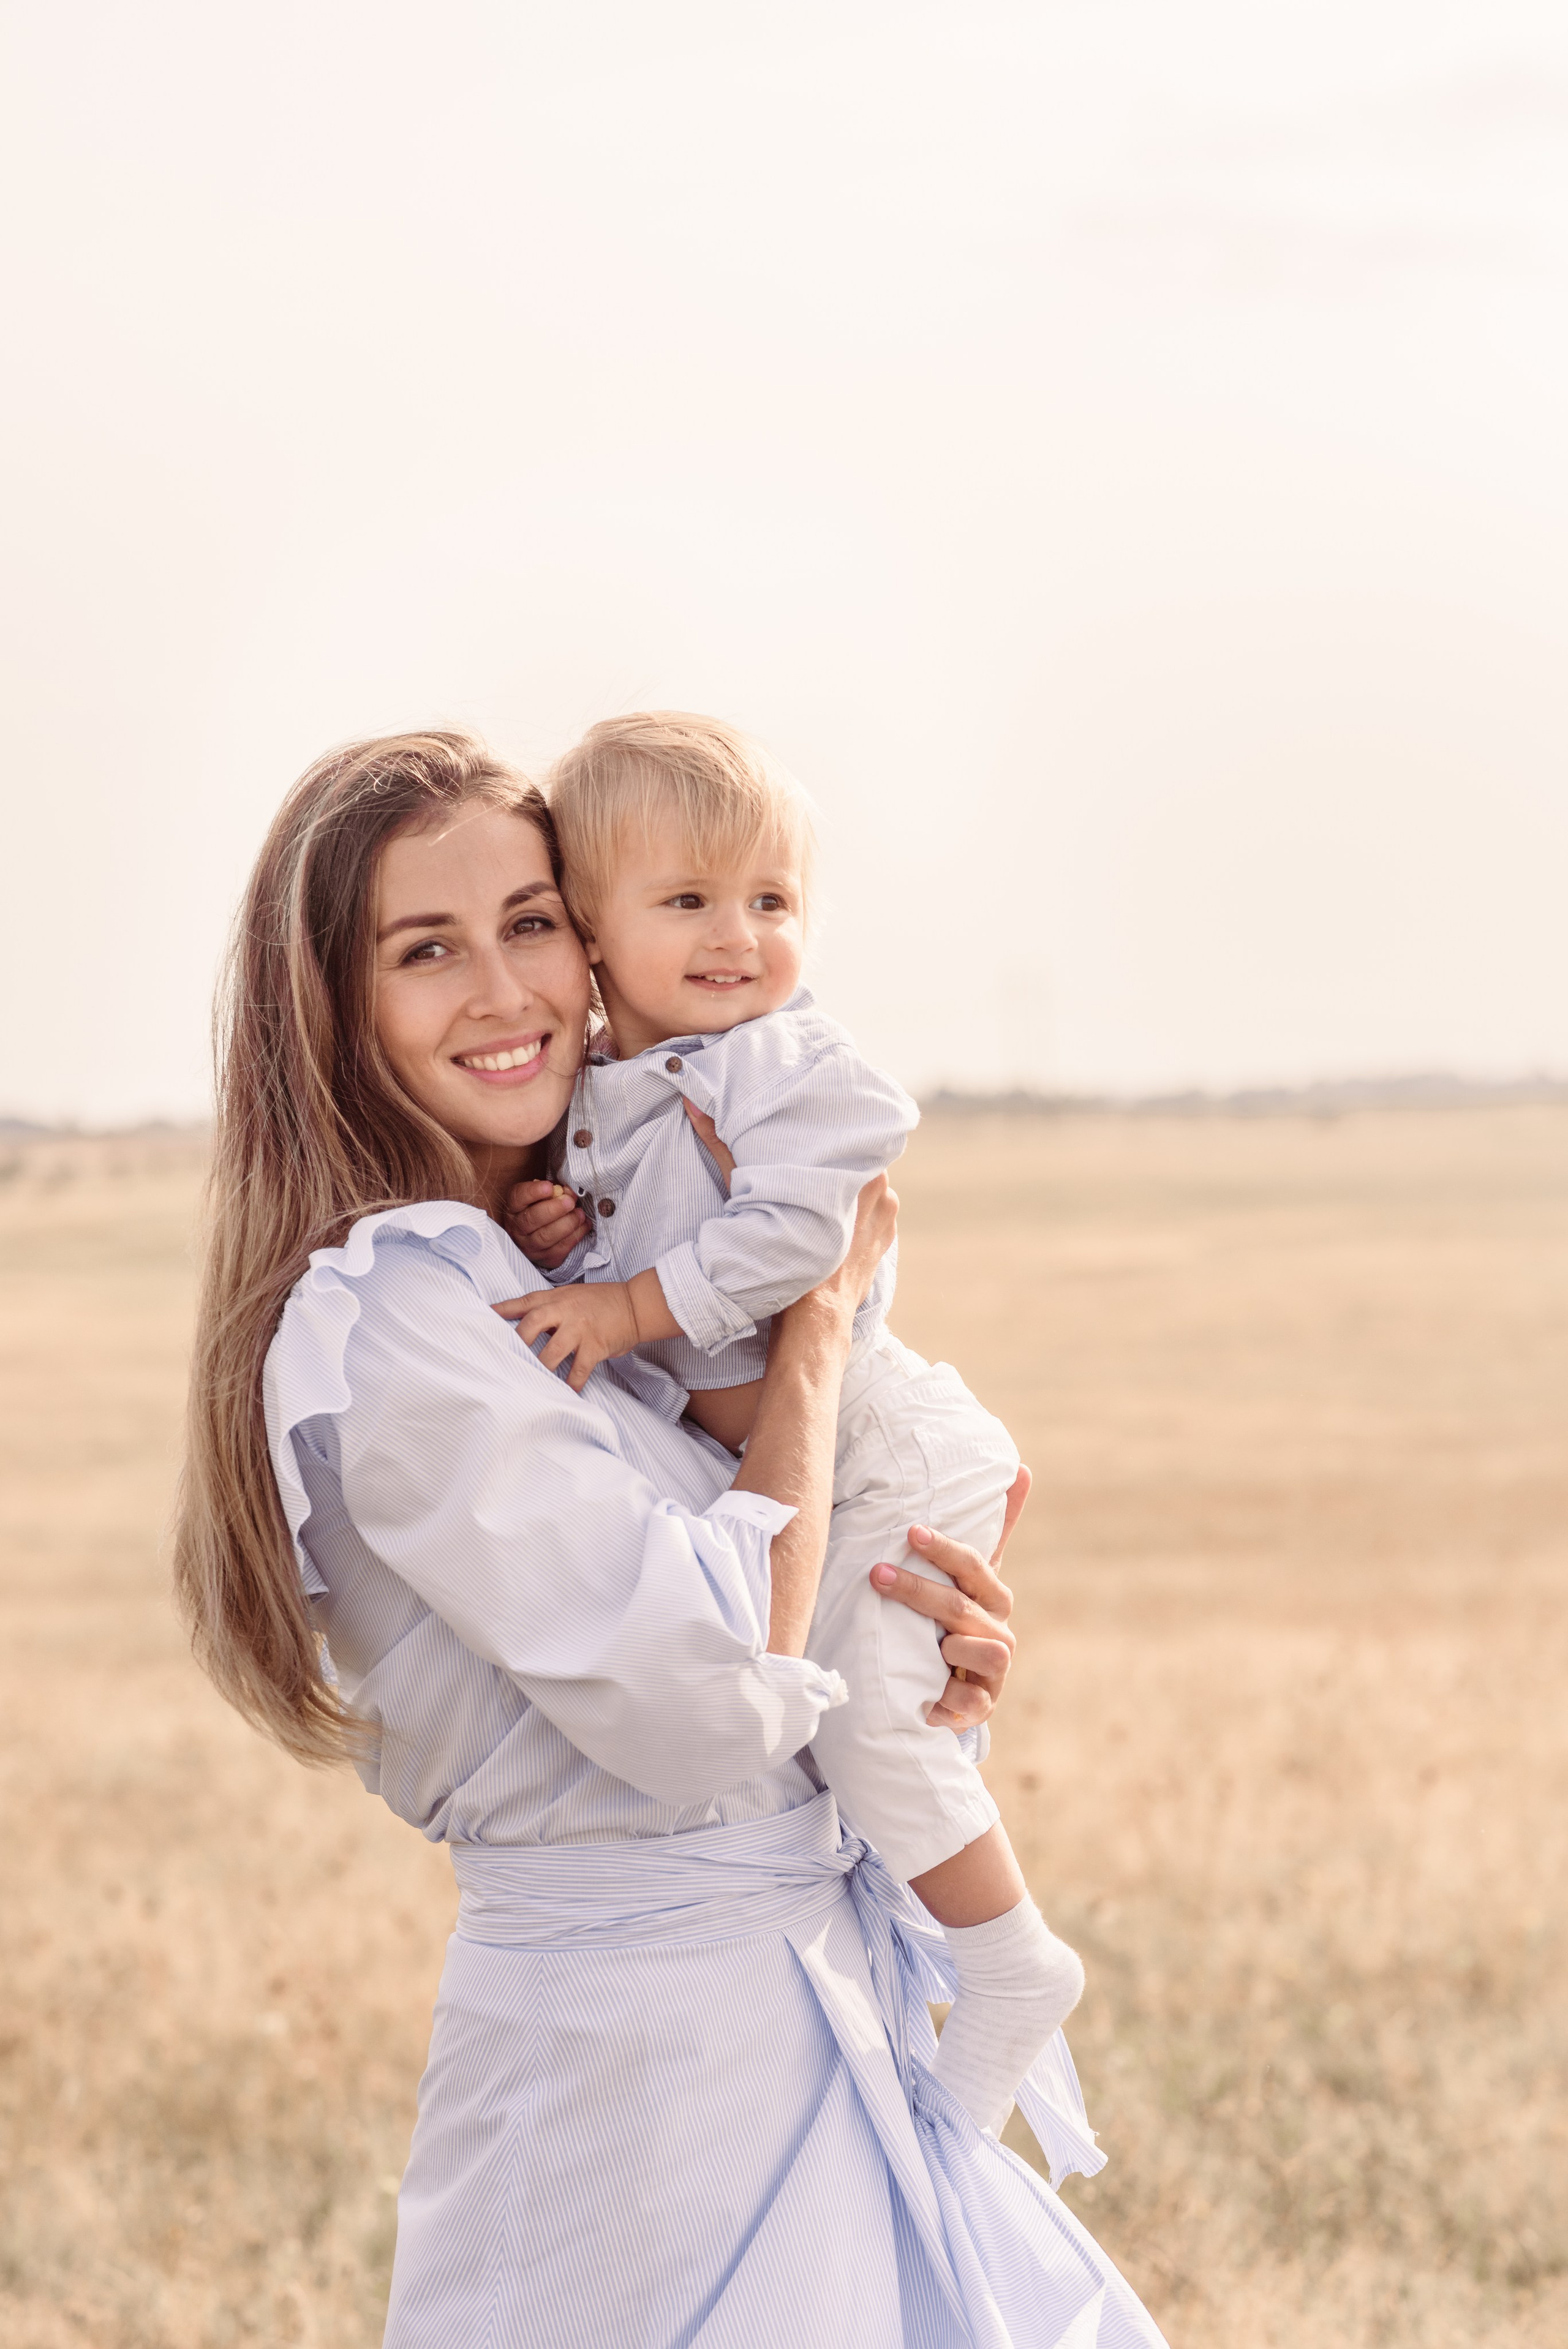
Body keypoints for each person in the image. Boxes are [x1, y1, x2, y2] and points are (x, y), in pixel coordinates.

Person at [174, 730, 1167, 2348]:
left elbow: (770, 1635)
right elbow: (712, 1694)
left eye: (534, 920)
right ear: (334, 1006)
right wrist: (825, 1325)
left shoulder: (541, 1258)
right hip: (638, 2084)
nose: (507, 989)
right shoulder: (394, 1318)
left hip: (799, 2009)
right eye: (427, 949)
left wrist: (910, 1666)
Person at [500, 711, 1082, 2141]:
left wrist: (623, 1303)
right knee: (823, 1729)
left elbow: (806, 1235)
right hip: (807, 1444)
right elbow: (645, 1246)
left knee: (871, 1717)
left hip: (877, 1433)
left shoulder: (779, 1058)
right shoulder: (597, 1098)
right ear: (587, 932)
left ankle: (1012, 1966)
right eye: (687, 899)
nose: (738, 935)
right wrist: (563, 1233)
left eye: (770, 899)